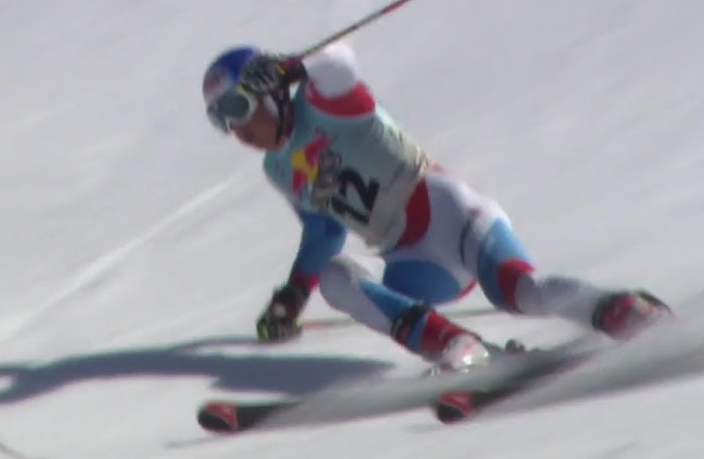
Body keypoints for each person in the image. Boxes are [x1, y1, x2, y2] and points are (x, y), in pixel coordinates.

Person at [201, 41, 670, 373]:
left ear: (268, 92)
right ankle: (456, 345)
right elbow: (324, 232)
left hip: (453, 218)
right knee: (336, 277)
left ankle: (621, 310)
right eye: (221, 120)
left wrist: (293, 66)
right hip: (412, 262)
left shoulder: (323, 102)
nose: (237, 130)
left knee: (521, 293)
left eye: (238, 109)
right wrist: (292, 297)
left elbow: (339, 61)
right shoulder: (278, 170)